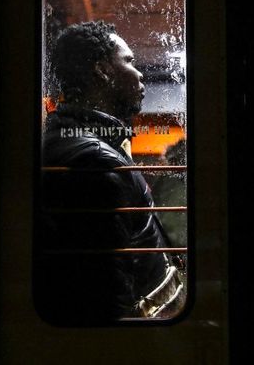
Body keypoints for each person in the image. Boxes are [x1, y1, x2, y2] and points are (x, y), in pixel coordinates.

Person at [37, 21, 184, 322]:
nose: (140, 73)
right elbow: (104, 292)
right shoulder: (94, 162)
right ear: (102, 70)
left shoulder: (81, 145)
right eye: (128, 61)